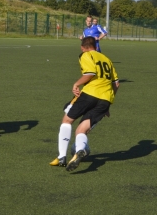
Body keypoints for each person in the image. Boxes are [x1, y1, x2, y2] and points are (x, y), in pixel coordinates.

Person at [50, 36, 119, 172]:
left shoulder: (86, 55)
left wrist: (76, 84)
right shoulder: (107, 59)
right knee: (81, 130)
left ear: (83, 47)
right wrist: (109, 103)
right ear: (96, 46)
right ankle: (80, 150)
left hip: (90, 94)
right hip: (105, 99)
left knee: (67, 120)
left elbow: (90, 73)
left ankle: (62, 157)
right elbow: (116, 84)